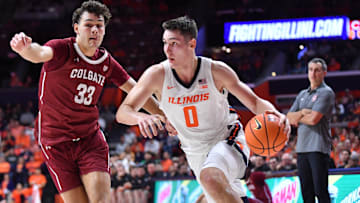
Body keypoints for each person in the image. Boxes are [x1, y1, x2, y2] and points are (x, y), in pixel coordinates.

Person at [116, 16, 290, 203]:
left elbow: (255, 103)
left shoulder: (215, 71)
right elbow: (123, 112)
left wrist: (276, 114)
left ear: (192, 44)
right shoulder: (156, 75)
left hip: (228, 139)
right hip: (194, 152)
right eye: (165, 43)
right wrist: (140, 117)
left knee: (210, 178)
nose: (167, 49)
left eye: (174, 43)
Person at [9, 1, 162, 202]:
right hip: (55, 144)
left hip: (89, 140)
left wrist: (166, 115)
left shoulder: (106, 62)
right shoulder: (62, 48)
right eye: (89, 25)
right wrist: (24, 49)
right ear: (76, 28)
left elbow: (137, 90)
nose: (94, 30)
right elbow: (38, 54)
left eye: (99, 25)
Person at [287, 58, 335, 203]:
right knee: (306, 193)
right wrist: (303, 112)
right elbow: (289, 117)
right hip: (302, 148)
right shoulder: (302, 94)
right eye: (310, 70)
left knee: (320, 191)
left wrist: (299, 115)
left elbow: (313, 120)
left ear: (324, 73)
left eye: (317, 70)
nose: (313, 73)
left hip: (318, 147)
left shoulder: (326, 93)